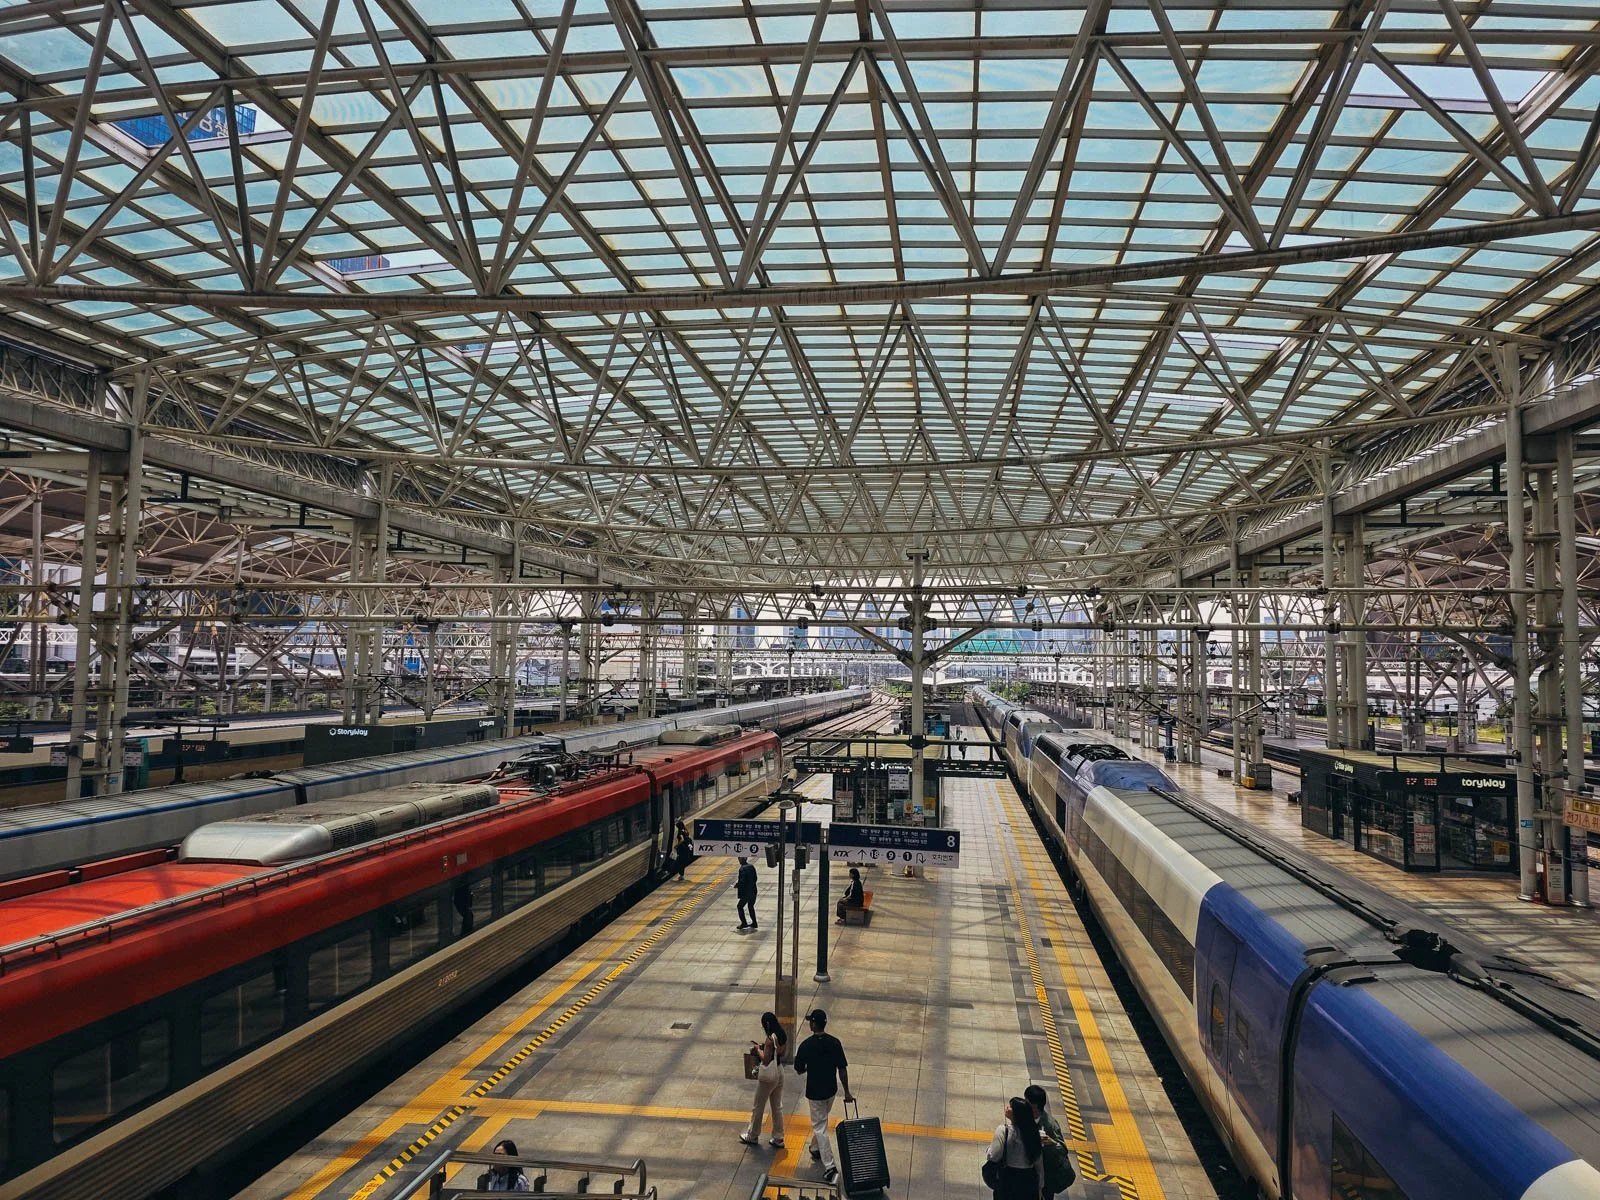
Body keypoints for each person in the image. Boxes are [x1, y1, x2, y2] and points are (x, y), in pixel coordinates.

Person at [792, 1008, 853, 1185]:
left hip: (815, 1091)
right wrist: (847, 1092)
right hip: (830, 1090)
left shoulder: (806, 1045)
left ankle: (830, 1166)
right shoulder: (835, 1043)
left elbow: (798, 1068)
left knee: (820, 1127)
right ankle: (815, 1147)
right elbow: (842, 1068)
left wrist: (807, 1068)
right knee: (821, 1121)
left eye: (810, 1021)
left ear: (813, 1024)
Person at [740, 1011, 788, 1147]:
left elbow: (766, 1060)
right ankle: (778, 1137)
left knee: (758, 1105)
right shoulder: (782, 1035)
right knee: (777, 1106)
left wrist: (758, 1049)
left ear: (767, 1024)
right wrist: (767, 1049)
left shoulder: (769, 1040)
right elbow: (781, 1053)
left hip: (768, 1076)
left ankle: (753, 1135)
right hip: (779, 1071)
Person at [987, 1097, 1043, 1200]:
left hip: (1008, 1179)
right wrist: (1039, 1189)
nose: (1007, 1108)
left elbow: (993, 1156)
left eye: (1010, 1107)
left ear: (1016, 1113)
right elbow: (1039, 1165)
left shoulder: (1003, 1130)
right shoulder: (1035, 1133)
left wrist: (988, 1150)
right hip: (1029, 1182)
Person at [1024, 1084, 1074, 1200]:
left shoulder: (1050, 1125)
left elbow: (1062, 1150)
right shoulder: (1025, 1117)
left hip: (1046, 1176)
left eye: (1027, 1102)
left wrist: (1050, 1143)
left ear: (1035, 1106)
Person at [736, 856, 759, 929]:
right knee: (751, 906)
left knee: (739, 906)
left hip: (746, 892)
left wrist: (737, 885)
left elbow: (742, 881)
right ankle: (754, 923)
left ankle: (744, 923)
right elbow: (755, 878)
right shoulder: (751, 866)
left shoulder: (742, 869)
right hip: (753, 890)